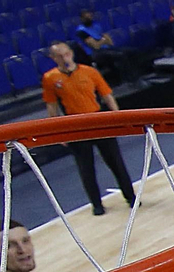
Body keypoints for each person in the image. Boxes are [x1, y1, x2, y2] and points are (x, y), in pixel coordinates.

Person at [41, 43, 138, 218]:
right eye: (60, 56)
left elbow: (107, 95)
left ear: (71, 54)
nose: (65, 58)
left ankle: (131, 197)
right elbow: (52, 106)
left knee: (116, 161)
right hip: (75, 124)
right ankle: (97, 204)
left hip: (98, 119)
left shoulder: (89, 71)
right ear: (54, 58)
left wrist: (119, 119)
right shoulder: (50, 78)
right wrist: (56, 131)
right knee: (86, 168)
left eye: (66, 54)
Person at [71, 10, 122, 82]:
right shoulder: (81, 31)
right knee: (121, 56)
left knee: (129, 52)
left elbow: (110, 42)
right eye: (86, 17)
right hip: (95, 54)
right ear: (82, 19)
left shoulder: (96, 26)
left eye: (90, 16)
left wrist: (101, 41)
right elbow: (96, 46)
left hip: (106, 49)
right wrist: (103, 40)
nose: (89, 18)